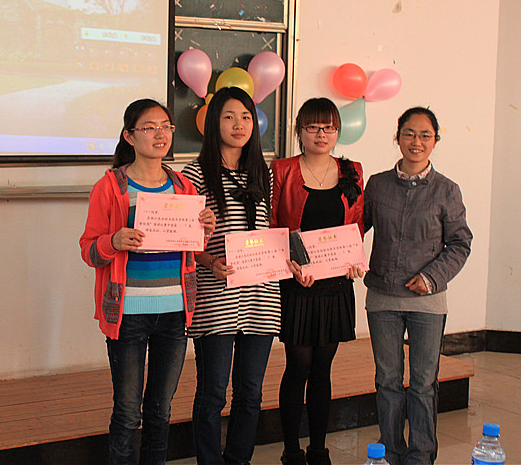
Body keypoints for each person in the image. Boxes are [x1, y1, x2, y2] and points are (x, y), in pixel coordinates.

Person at [79, 99, 215, 465]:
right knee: (127, 412)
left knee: (161, 411)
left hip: (174, 311)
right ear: (129, 136)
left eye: (166, 126)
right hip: (127, 314)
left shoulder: (183, 187)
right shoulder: (111, 186)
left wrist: (205, 229)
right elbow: (89, 250)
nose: (160, 134)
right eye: (149, 127)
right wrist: (113, 241)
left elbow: (192, 250)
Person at [363, 107, 472, 465]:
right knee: (387, 381)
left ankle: (421, 457)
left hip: (427, 302)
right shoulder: (377, 185)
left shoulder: (447, 190)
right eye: (409, 133)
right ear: (397, 137)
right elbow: (354, 229)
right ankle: (391, 453)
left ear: (435, 141)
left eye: (425, 135)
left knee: (424, 383)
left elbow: (460, 244)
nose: (416, 141)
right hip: (382, 298)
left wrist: (431, 277)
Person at [181, 86, 279, 465]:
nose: (239, 125)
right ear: (213, 123)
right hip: (215, 294)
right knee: (213, 392)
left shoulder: (263, 172)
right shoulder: (195, 174)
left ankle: (239, 460)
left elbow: (269, 228)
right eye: (229, 117)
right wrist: (209, 262)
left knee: (251, 392)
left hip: (260, 294)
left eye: (246, 117)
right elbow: (182, 239)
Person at [270, 98, 366, 465]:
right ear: (299, 131)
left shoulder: (352, 170)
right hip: (296, 283)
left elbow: (356, 224)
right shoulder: (283, 170)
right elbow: (273, 224)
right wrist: (289, 264)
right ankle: (292, 450)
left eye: (329, 127)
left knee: (323, 369)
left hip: (335, 285)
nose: (321, 134)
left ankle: (319, 449)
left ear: (338, 131)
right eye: (313, 127)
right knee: (298, 365)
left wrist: (355, 260)